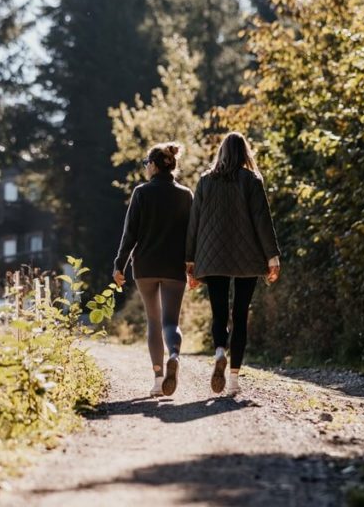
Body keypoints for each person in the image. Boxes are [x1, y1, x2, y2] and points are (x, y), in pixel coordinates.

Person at [186, 132, 280, 396]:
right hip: (247, 257)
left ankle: (218, 352)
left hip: (211, 256)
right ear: (245, 152)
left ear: (222, 153)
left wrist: (190, 260)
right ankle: (235, 380)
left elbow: (194, 222)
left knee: (219, 312)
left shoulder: (205, 181)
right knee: (240, 315)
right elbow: (262, 221)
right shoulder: (252, 180)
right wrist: (272, 257)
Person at [113, 142, 194, 397]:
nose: (145, 168)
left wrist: (119, 265)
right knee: (171, 321)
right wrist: (193, 266)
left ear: (155, 165)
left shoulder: (141, 193)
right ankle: (175, 355)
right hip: (174, 267)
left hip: (145, 267)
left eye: (146, 163)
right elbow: (192, 236)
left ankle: (159, 379)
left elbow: (130, 234)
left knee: (154, 321)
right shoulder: (185, 195)